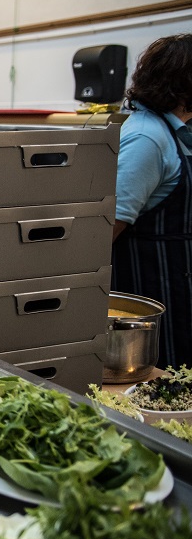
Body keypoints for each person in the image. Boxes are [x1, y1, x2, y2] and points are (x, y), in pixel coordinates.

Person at [111, 33, 192, 369]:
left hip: (177, 282)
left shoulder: (175, 131)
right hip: (151, 288)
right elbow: (108, 228)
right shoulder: (148, 138)